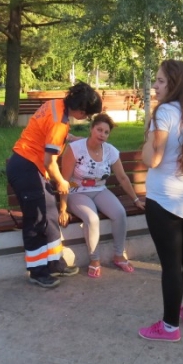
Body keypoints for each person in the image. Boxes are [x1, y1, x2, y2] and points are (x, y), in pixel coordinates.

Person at [138, 59, 183, 342]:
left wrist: (147, 139)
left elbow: (152, 159)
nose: (155, 86)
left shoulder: (164, 112)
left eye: (160, 81)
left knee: (171, 265)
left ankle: (169, 327)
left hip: (164, 199)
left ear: (175, 84)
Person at [6, 82, 102, 289]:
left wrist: (70, 137)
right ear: (81, 111)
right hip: (26, 168)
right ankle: (38, 272)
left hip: (29, 165)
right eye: (87, 115)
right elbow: (50, 162)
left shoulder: (55, 104)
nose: (86, 118)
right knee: (37, 220)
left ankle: (55, 263)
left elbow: (46, 131)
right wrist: (62, 182)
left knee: (50, 214)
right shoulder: (60, 122)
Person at [58, 113, 145, 278]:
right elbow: (65, 180)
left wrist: (135, 199)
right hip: (77, 192)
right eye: (99, 130)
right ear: (91, 129)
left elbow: (122, 177)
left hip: (100, 190)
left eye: (106, 132)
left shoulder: (110, 151)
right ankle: (94, 259)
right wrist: (63, 208)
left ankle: (119, 255)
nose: (102, 134)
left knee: (119, 213)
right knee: (92, 219)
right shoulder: (75, 148)